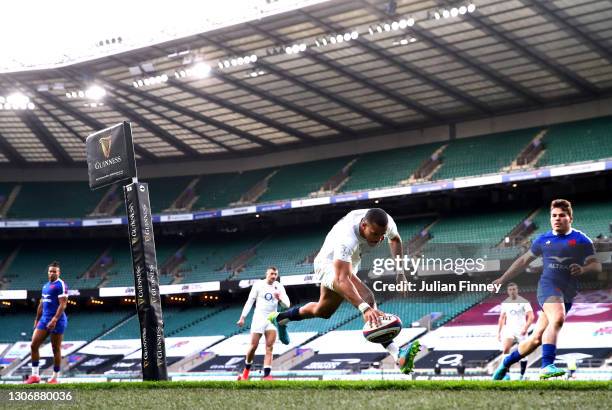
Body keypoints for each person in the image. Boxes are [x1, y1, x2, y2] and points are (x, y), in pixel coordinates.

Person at [268, 208, 420, 374]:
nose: (380, 238)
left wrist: (400, 272)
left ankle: (281, 318)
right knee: (368, 299)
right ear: (363, 226)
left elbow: (395, 240)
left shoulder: (385, 222)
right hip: (327, 263)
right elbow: (341, 279)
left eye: (382, 234)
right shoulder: (347, 238)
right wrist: (364, 307)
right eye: (375, 234)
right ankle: (398, 354)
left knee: (324, 310)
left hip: (350, 262)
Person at [492, 199, 601, 380]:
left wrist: (583, 269)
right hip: (548, 286)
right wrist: (503, 278)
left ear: (570, 218)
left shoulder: (582, 240)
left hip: (567, 292)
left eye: (561, 215)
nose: (557, 219)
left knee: (536, 339)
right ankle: (547, 366)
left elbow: (596, 265)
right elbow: (522, 261)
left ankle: (505, 363)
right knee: (558, 318)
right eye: (553, 216)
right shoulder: (543, 239)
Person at [236, 266, 289, 380]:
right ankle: (245, 374)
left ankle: (267, 375)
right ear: (267, 274)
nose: (274, 276)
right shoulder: (258, 285)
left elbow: (287, 305)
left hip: (272, 319)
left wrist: (279, 299)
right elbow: (250, 301)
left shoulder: (279, 286)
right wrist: (242, 317)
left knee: (269, 347)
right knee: (253, 346)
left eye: (275, 274)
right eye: (272, 274)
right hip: (259, 318)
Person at [25, 261, 68, 384]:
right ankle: (35, 376)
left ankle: (54, 378)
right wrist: (37, 319)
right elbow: (42, 304)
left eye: (54, 271)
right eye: (50, 271)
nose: (52, 273)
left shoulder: (61, 285)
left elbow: (63, 304)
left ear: (59, 272)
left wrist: (54, 319)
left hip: (58, 321)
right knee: (33, 345)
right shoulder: (45, 286)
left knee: (56, 349)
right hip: (44, 320)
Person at [497, 282, 534, 380]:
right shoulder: (505, 303)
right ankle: (507, 374)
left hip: (521, 330)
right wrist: (499, 332)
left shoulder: (524, 302)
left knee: (523, 353)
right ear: (508, 291)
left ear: (517, 290)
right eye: (510, 290)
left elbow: (531, 317)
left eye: (514, 289)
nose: (512, 291)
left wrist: (525, 328)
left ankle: (522, 375)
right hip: (509, 329)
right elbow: (502, 318)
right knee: (505, 350)